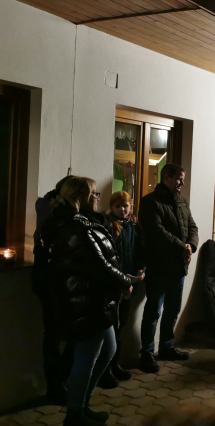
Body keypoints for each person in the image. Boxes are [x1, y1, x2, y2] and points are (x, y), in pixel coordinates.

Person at [41, 177, 143, 426]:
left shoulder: (83, 221)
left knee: (108, 349)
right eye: (94, 194)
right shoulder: (74, 226)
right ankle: (75, 413)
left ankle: (81, 406)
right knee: (87, 358)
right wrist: (127, 281)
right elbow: (100, 265)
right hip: (84, 301)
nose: (97, 198)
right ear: (80, 197)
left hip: (95, 299)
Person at [138, 163, 199, 373]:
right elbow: (156, 231)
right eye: (179, 179)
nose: (182, 183)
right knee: (153, 311)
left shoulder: (182, 202)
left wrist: (191, 246)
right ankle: (146, 353)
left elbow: (192, 227)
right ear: (167, 178)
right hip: (159, 266)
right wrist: (182, 247)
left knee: (172, 309)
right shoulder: (149, 202)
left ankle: (166, 347)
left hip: (179, 267)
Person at [32, 175, 75, 404]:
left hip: (55, 280)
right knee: (54, 335)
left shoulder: (57, 211)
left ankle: (60, 383)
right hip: (52, 281)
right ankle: (56, 385)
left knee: (62, 334)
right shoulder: (55, 213)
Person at [98, 191, 145, 388]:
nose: (122, 210)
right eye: (118, 206)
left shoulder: (133, 226)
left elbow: (139, 250)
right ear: (112, 207)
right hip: (114, 285)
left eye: (125, 205)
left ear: (131, 206)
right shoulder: (108, 226)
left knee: (121, 326)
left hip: (129, 283)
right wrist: (121, 282)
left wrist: (140, 268)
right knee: (110, 328)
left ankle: (115, 365)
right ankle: (104, 370)